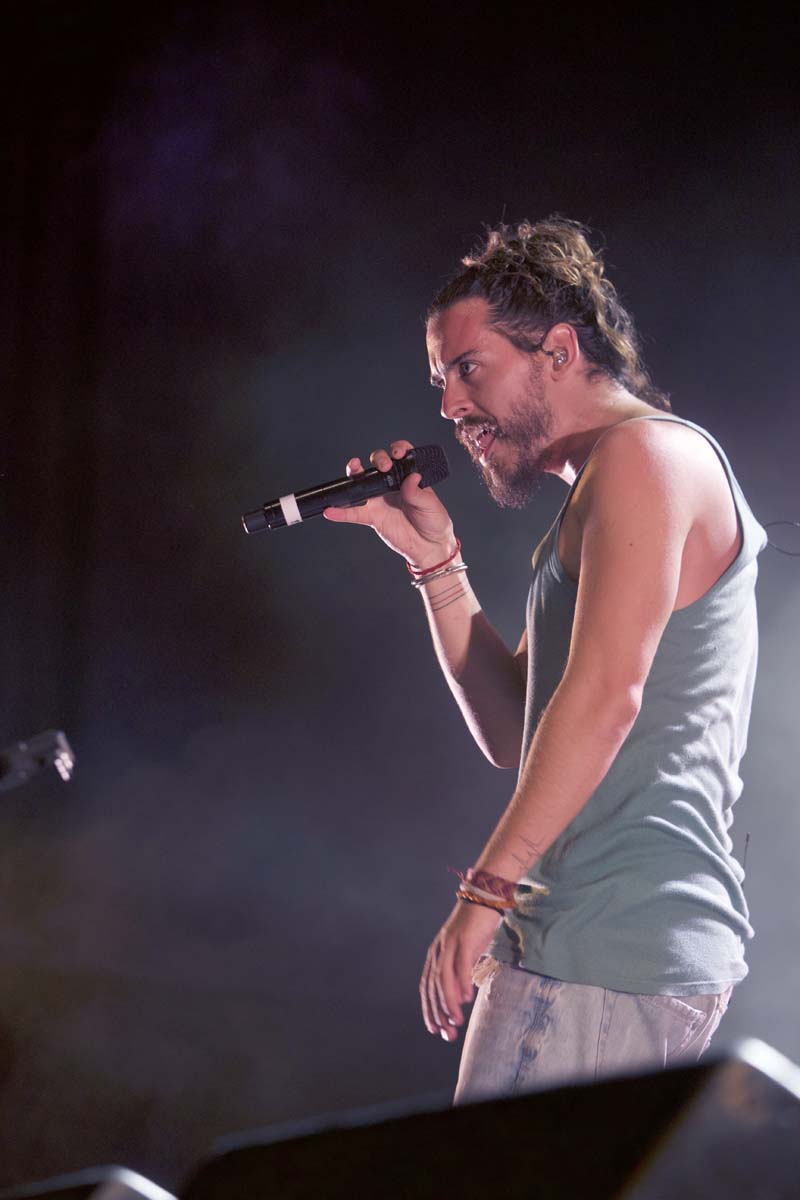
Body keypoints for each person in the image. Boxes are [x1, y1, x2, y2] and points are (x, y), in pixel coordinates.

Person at [323, 217, 766, 1101]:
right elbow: (514, 733)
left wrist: (483, 895)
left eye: (468, 368)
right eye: (441, 380)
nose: (449, 406)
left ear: (559, 350)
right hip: (594, 947)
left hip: (602, 947)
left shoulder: (646, 456)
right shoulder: (609, 482)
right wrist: (435, 565)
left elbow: (604, 699)